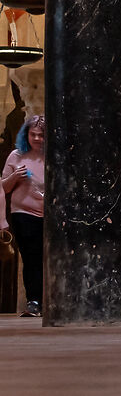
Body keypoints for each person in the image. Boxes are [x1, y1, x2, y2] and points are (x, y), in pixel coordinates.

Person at [2, 115, 42, 317]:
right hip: (23, 213)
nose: (36, 139)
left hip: (50, 216)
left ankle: (51, 300)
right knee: (31, 257)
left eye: (41, 135)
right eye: (33, 134)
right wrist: (14, 177)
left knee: (48, 258)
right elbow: (3, 189)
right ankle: (34, 301)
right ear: (26, 135)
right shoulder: (16, 156)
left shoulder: (54, 156)